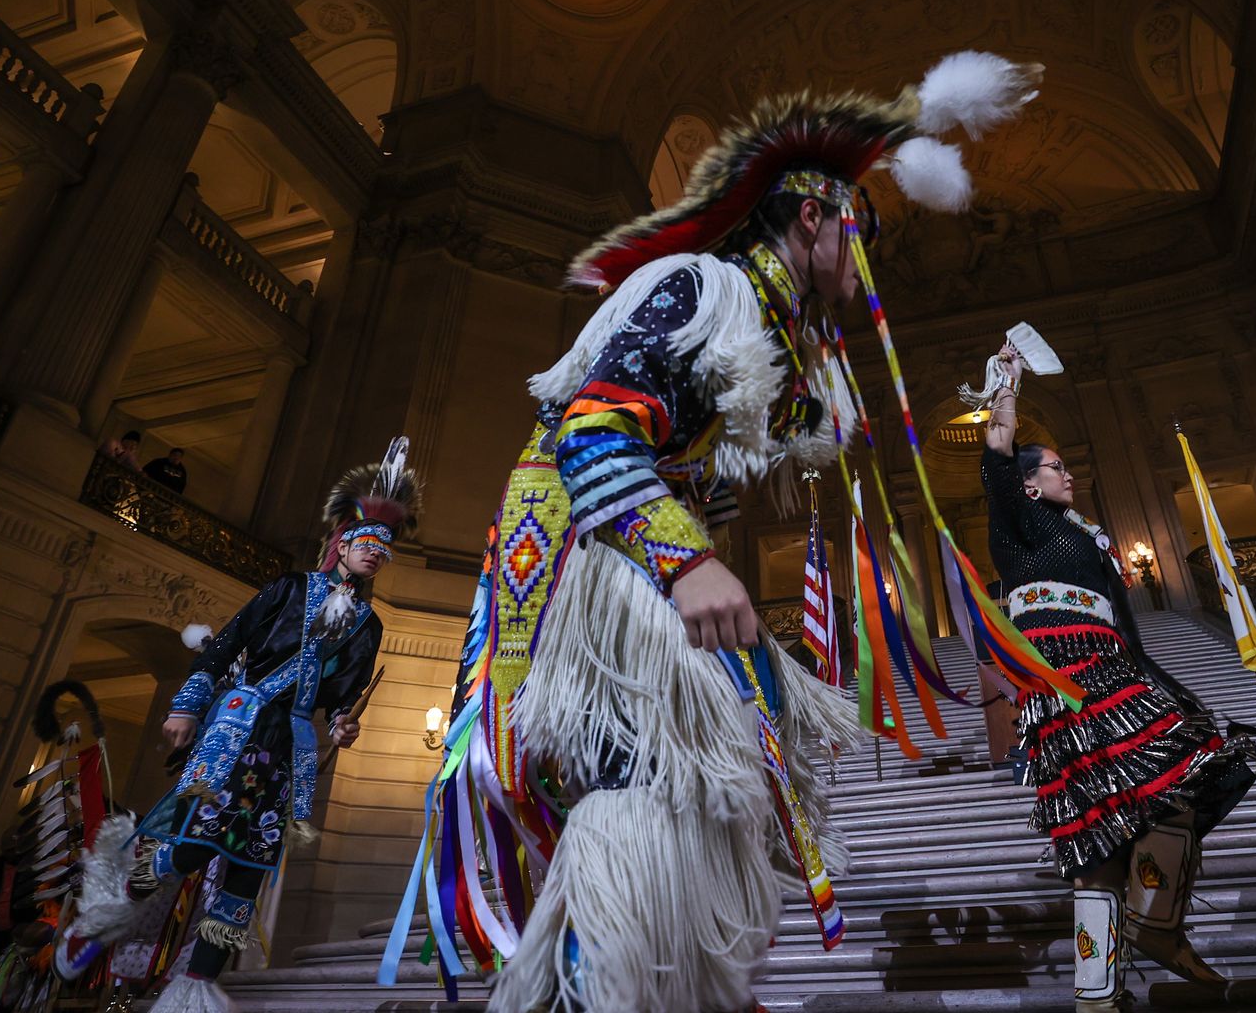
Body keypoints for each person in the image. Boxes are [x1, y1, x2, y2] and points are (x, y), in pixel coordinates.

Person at [395, 52, 1045, 1013]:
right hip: (595, 580)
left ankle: (665, 985)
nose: (863, 258)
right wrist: (688, 561)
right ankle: (608, 985)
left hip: (633, 561)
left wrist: (713, 521)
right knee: (640, 786)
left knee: (689, 794)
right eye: (857, 230)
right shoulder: (703, 288)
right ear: (814, 216)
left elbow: (698, 461)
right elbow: (595, 426)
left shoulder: (773, 331)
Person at [56, 438, 419, 1011]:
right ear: (343, 546)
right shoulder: (288, 590)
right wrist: (184, 706)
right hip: (240, 726)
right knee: (198, 839)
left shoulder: (369, 626)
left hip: (291, 745)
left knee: (251, 865)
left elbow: (343, 696)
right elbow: (224, 646)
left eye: (384, 550)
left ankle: (196, 988)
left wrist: (345, 723)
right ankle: (110, 908)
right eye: (367, 543)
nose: (376, 554)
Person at [979, 342, 1256, 1008]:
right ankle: (1117, 972)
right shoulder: (1016, 526)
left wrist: (1167, 684)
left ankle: (1124, 960)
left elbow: (1127, 628)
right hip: (1066, 679)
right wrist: (1008, 387)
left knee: (1168, 794)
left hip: (1115, 670)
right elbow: (994, 452)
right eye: (1056, 467)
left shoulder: (1087, 539)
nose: (1068, 475)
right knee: (1113, 830)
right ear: (1027, 484)